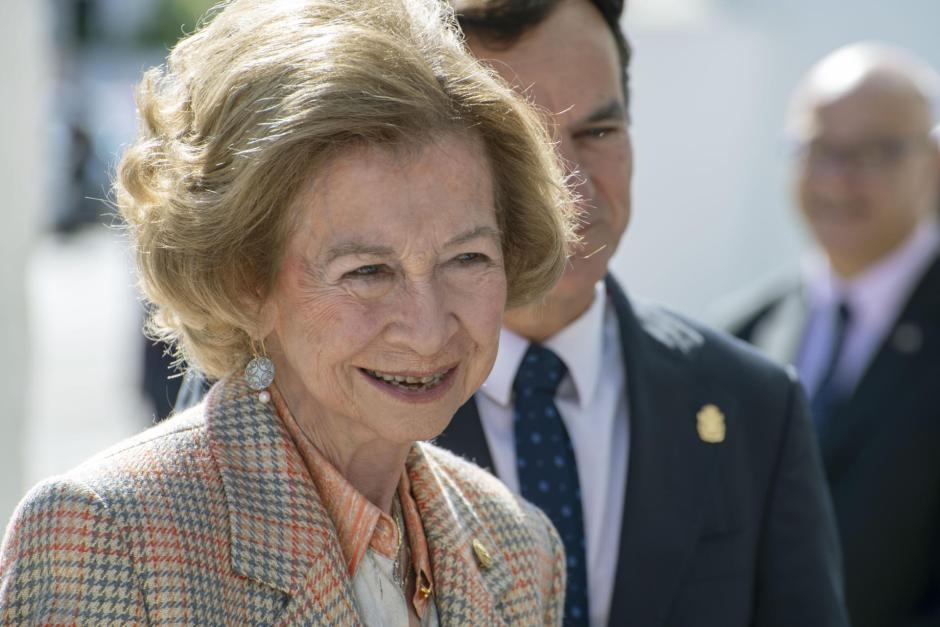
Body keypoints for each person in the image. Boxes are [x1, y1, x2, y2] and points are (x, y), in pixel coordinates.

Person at [177, 1, 849, 624]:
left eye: (599, 130)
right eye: (521, 141)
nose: (570, 186)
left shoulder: (753, 403)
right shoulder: (307, 392)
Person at [0, 0, 577, 624]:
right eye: (367, 272)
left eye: (467, 258)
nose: (428, 326)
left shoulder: (521, 550)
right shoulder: (109, 537)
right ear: (244, 281)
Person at [728, 42, 940, 627]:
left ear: (934, 163)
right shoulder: (743, 337)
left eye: (874, 153)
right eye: (818, 150)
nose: (837, 180)